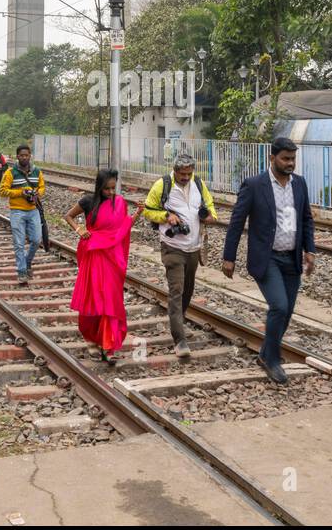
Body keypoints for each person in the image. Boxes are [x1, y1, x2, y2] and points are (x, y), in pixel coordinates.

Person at [221, 137, 316, 384]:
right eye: (285, 158)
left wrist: (310, 250)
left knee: (287, 313)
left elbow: (306, 219)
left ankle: (265, 353)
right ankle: (272, 360)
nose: (290, 163)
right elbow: (236, 222)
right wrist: (228, 257)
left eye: (293, 158)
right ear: (271, 158)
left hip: (292, 258)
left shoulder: (300, 184)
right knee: (279, 307)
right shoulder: (254, 185)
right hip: (267, 259)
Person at [141, 151, 217, 359]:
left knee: (188, 289)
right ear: (175, 171)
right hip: (172, 246)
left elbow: (211, 207)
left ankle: (179, 321)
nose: (185, 177)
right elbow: (148, 210)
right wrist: (167, 216)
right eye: (182, 174)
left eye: (188, 174)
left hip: (194, 248)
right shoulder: (162, 185)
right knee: (176, 290)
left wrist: (209, 216)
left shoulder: (199, 185)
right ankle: (179, 340)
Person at [64, 168, 132, 365]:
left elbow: (122, 227)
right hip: (93, 256)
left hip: (112, 258)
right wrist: (79, 229)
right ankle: (90, 339)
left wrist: (136, 214)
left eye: (113, 188)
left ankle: (108, 345)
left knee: (111, 299)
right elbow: (68, 216)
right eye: (106, 189)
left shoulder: (119, 203)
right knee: (93, 299)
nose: (111, 193)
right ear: (99, 187)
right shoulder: (88, 201)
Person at [0, 144, 46, 285]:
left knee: (37, 240)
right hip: (17, 211)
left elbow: (42, 187)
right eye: (21, 155)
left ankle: (27, 262)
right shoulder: (10, 173)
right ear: (17, 156)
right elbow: (2, 191)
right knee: (19, 244)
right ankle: (21, 272)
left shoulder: (37, 172)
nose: (24, 157)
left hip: (33, 210)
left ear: (30, 155)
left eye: (26, 155)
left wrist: (38, 193)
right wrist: (20, 192)